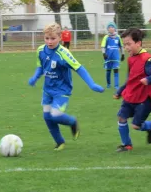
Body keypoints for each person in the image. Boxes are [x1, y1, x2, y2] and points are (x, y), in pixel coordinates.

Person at [29, 22, 104, 150]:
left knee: (56, 114)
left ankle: (72, 122)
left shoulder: (64, 53)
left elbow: (79, 68)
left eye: (53, 38)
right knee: (47, 116)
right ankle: (59, 142)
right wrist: (35, 76)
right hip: (47, 90)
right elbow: (40, 66)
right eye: (47, 38)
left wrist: (91, 84)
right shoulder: (41, 50)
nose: (49, 41)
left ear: (60, 38)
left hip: (62, 90)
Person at [114, 28, 151, 152]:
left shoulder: (148, 59)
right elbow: (130, 78)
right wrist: (120, 90)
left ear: (138, 43)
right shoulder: (131, 59)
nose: (126, 47)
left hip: (144, 98)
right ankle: (126, 145)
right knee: (121, 118)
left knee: (136, 125)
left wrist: (148, 80)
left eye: (129, 44)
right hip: (131, 96)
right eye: (124, 45)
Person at [101, 22, 124, 90]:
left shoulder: (118, 37)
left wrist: (123, 54)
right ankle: (108, 84)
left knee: (116, 70)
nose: (111, 28)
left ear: (115, 28)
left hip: (116, 57)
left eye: (112, 27)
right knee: (108, 71)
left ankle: (116, 86)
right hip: (108, 57)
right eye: (109, 27)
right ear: (108, 29)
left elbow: (121, 46)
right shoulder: (106, 37)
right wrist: (104, 53)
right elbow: (103, 46)